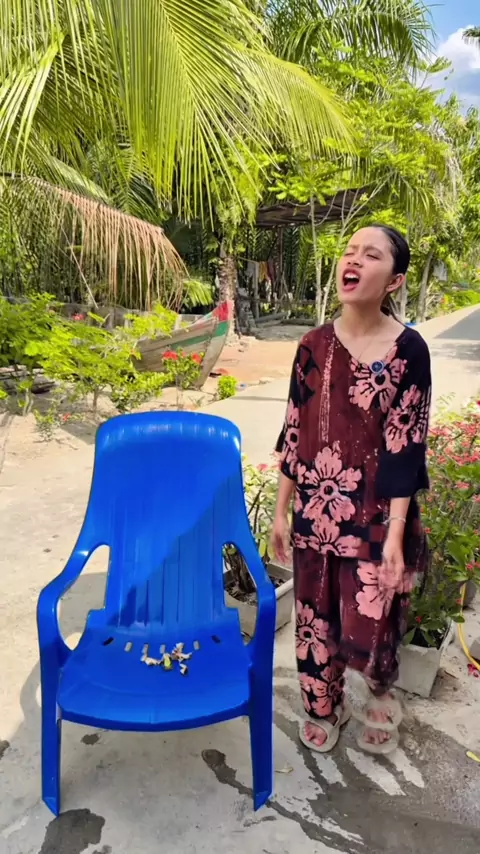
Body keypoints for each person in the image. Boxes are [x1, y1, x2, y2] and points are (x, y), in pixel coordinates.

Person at [272, 225, 431, 755]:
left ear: (395, 280)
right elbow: (294, 429)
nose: (354, 260)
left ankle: (380, 695)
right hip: (315, 514)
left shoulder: (410, 351)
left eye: (371, 254)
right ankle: (324, 706)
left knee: (373, 618)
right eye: (349, 251)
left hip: (377, 515)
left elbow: (406, 444)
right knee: (314, 622)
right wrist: (280, 511)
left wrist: (396, 535)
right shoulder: (311, 346)